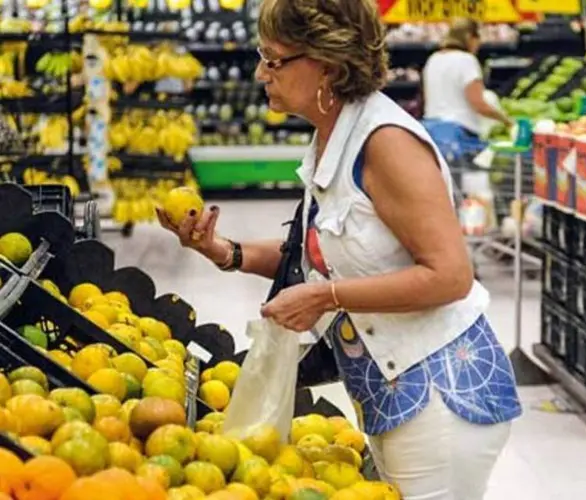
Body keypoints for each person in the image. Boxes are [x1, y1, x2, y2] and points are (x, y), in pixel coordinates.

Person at [156, 1, 522, 498]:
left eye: (274, 59)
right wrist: (224, 250)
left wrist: (324, 297)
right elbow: (313, 255)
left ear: (326, 63)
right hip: (390, 394)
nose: (262, 72)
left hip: (442, 395)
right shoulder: (334, 135)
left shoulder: (386, 143)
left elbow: (450, 276)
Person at [422, 18, 514, 144]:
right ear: (470, 37)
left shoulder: (433, 59)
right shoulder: (466, 60)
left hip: (431, 130)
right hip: (460, 133)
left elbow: (428, 98)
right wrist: (507, 121)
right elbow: (478, 104)